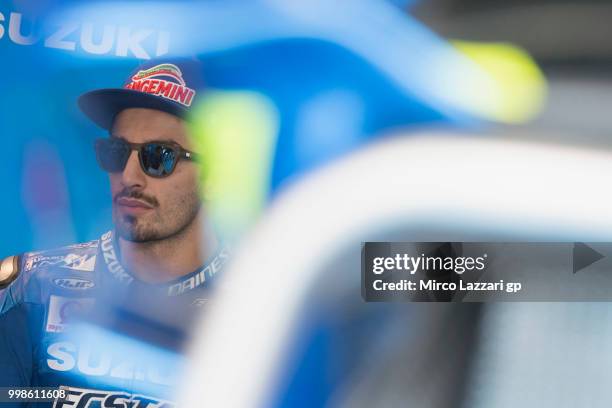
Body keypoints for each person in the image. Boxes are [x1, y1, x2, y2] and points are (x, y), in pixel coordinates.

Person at [0, 58, 229, 407]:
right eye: (116, 152)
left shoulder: (259, 305)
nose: (129, 176)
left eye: (159, 156)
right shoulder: (32, 286)